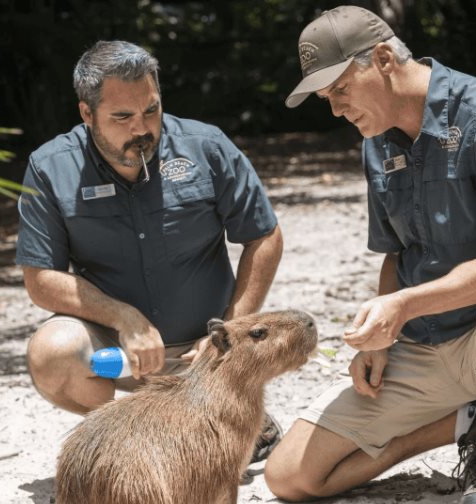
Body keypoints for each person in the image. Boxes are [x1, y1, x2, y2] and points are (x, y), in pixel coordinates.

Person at [265, 6, 476, 504]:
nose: (335, 109)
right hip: (424, 345)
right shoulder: (375, 140)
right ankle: (467, 422)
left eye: (341, 90)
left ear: (385, 58)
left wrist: (406, 306)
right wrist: (380, 340)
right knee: (290, 477)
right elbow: (395, 255)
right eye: (326, 98)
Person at [15, 40, 284, 461]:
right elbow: (40, 281)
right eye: (122, 116)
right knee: (52, 352)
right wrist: (124, 318)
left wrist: (228, 332)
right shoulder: (50, 167)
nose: (142, 128)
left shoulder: (206, 146)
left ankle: (241, 419)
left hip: (205, 352)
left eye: (151, 110)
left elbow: (265, 236)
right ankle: (127, 435)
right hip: (117, 353)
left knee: (203, 461)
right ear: (87, 114)